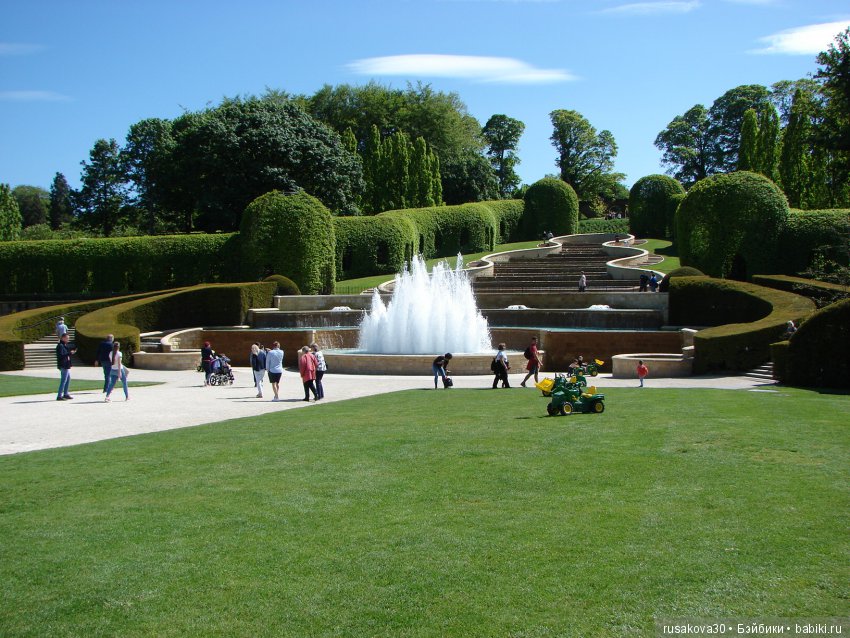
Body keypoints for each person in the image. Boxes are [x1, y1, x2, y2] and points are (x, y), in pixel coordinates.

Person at [55, 332, 76, 401]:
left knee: (68, 379)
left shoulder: (64, 345)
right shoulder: (60, 346)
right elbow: (61, 355)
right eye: (67, 338)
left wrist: (70, 353)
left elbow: (65, 354)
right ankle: (59, 395)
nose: (68, 340)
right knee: (63, 380)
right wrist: (69, 353)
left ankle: (65, 394)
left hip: (66, 364)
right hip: (63, 365)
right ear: (63, 338)